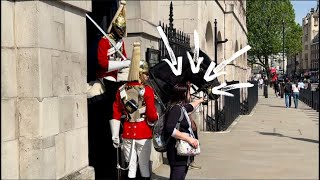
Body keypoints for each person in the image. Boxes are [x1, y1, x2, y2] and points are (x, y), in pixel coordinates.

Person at [110, 42, 158, 180]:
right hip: (143, 132)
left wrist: (115, 135)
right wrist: (155, 117)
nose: (148, 76)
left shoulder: (121, 91)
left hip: (127, 133)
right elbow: (151, 115)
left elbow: (116, 113)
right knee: (144, 167)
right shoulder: (147, 90)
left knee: (130, 168)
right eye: (146, 74)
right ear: (140, 74)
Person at [164, 83, 204, 180]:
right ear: (183, 94)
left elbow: (190, 106)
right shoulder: (176, 109)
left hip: (181, 151)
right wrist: (189, 139)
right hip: (176, 151)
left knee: (181, 175)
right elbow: (169, 128)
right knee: (177, 175)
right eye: (188, 92)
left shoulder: (180, 107)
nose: (189, 95)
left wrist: (201, 100)